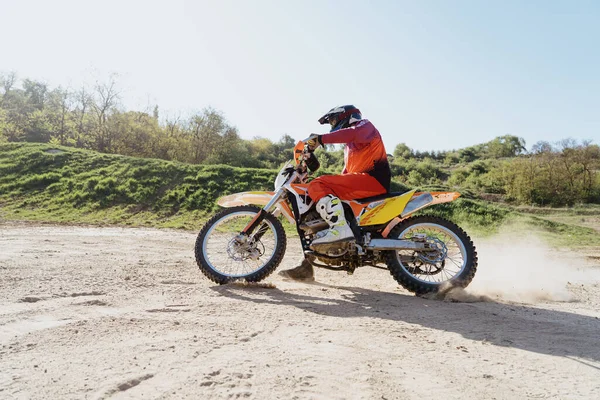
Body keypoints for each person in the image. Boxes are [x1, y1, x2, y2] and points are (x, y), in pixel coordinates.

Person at [279, 105, 391, 281]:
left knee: (319, 184)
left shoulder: (364, 126)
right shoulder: (351, 147)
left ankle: (340, 229)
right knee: (319, 204)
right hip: (363, 181)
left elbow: (351, 133)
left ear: (345, 116)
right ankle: (306, 267)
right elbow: (345, 176)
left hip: (374, 180)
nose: (332, 125)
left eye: (332, 120)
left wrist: (321, 139)